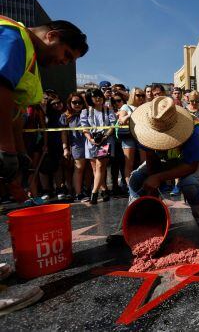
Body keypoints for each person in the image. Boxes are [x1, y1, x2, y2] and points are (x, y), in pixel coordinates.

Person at [0, 16, 88, 313]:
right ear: (52, 36)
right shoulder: (13, 38)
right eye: (66, 55)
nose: (64, 63)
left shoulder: (28, 56)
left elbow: (13, 108)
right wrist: (6, 149)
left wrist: (21, 152)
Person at [121, 96, 199, 246]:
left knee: (190, 183)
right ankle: (135, 226)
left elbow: (191, 166)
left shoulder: (195, 130)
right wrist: (152, 186)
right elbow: (151, 158)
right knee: (136, 179)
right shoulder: (142, 128)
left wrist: (159, 178)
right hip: (168, 156)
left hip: (196, 156)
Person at [81, 88, 117, 204]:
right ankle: (105, 190)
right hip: (91, 142)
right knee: (95, 169)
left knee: (101, 165)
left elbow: (113, 125)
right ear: (89, 99)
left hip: (105, 141)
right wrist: (91, 139)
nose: (98, 98)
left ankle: (94, 194)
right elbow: (84, 128)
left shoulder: (108, 109)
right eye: (94, 96)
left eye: (99, 95)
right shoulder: (85, 111)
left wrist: (105, 136)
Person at [60, 92, 89, 201]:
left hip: (89, 143)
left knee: (89, 169)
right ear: (69, 103)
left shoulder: (87, 113)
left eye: (80, 102)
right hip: (76, 145)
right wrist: (65, 148)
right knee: (79, 168)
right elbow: (63, 133)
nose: (77, 104)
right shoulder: (65, 116)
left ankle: (87, 190)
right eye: (74, 102)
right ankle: (78, 193)